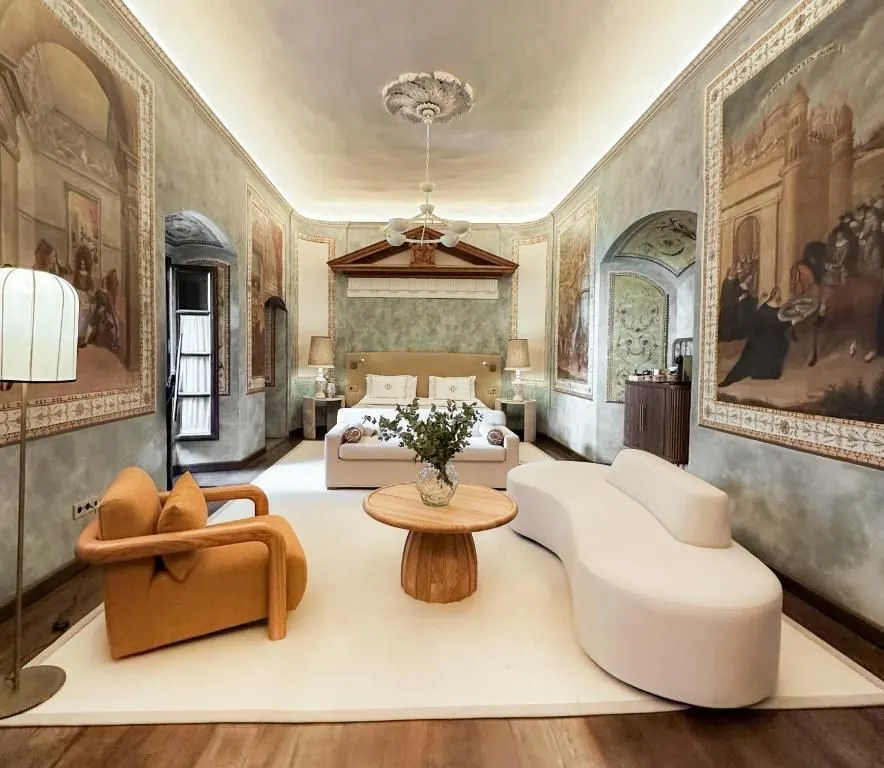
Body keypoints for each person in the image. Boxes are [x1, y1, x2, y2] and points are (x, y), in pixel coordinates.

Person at [719, 286, 793, 387]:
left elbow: (782, 323)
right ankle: (732, 378)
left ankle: (767, 373)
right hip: (762, 337)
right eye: (777, 293)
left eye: (779, 294)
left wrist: (790, 322)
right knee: (752, 353)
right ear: (774, 294)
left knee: (779, 344)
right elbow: (757, 321)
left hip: (772, 338)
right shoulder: (766, 307)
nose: (778, 296)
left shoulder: (778, 309)